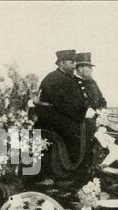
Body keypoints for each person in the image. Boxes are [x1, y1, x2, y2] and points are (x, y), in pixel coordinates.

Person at [34, 49, 89, 185]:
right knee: (74, 130)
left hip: (62, 115)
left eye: (75, 62)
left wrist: (82, 111)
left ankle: (76, 171)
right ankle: (64, 173)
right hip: (50, 119)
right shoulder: (52, 78)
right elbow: (60, 104)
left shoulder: (66, 78)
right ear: (62, 63)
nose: (74, 65)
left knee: (84, 127)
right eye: (71, 62)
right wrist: (80, 114)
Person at [74, 52, 107, 181]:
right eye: (89, 67)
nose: (91, 70)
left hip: (96, 121)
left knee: (115, 136)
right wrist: (85, 112)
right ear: (81, 68)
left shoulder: (93, 82)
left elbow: (102, 100)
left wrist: (102, 111)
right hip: (81, 124)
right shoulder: (72, 82)